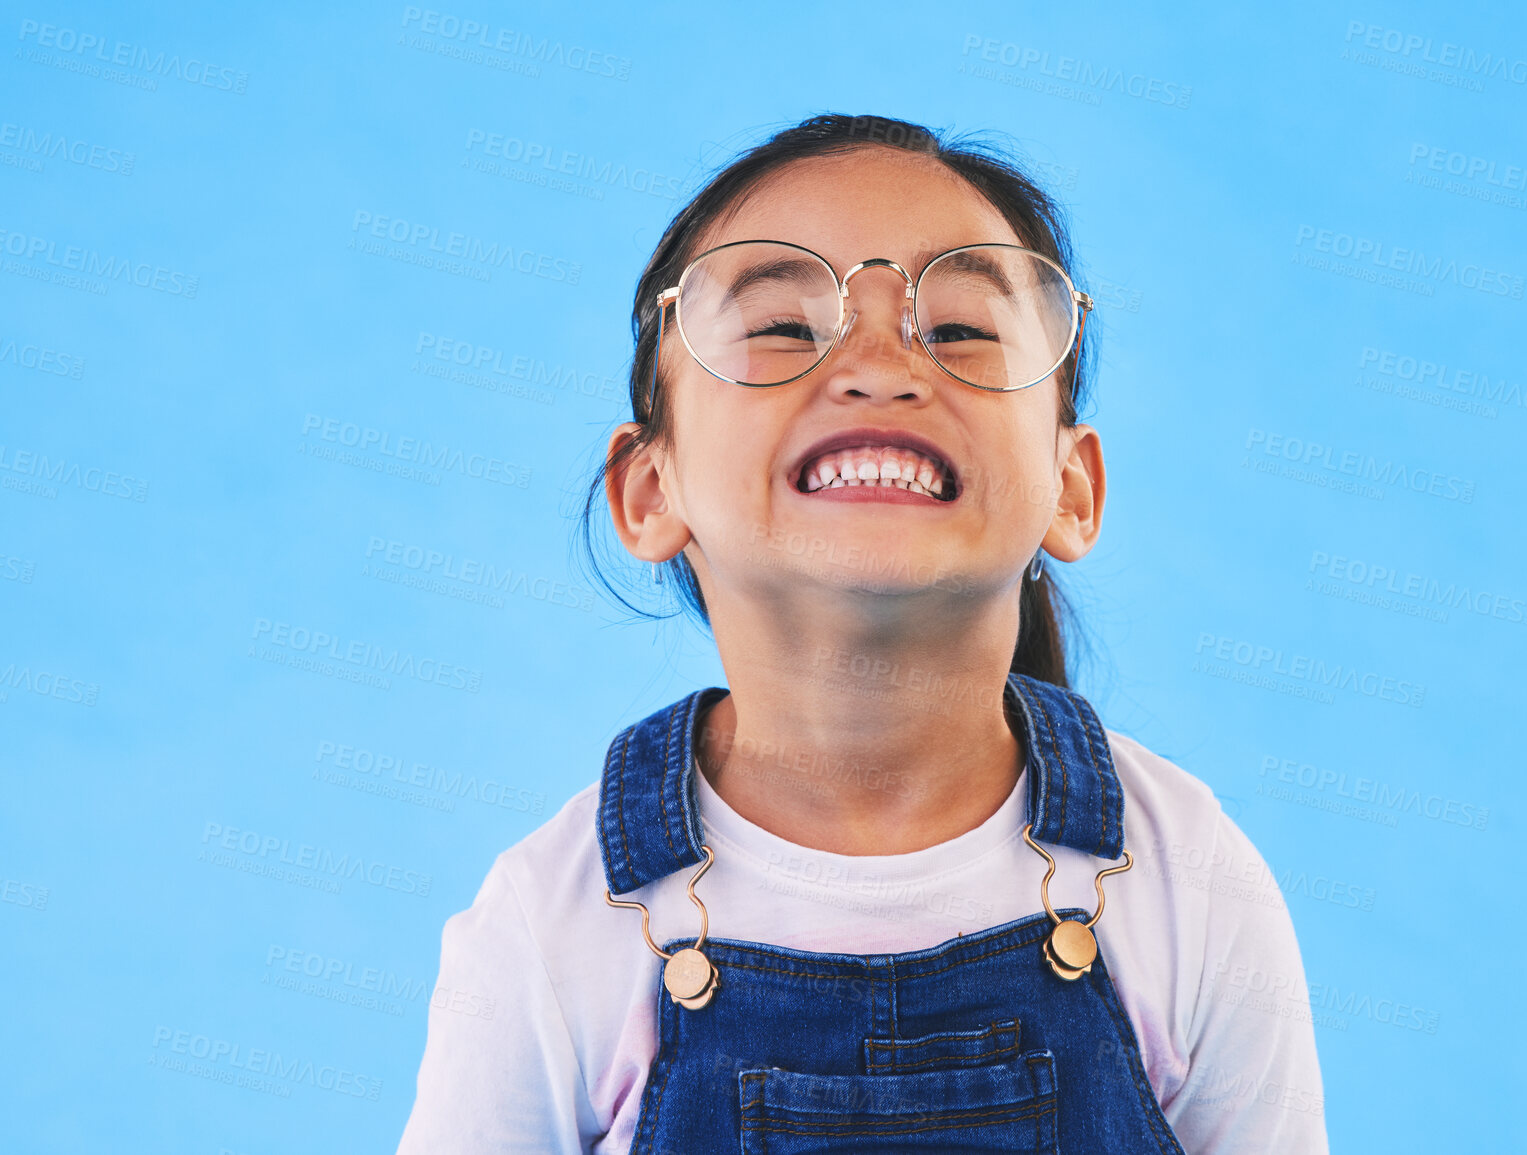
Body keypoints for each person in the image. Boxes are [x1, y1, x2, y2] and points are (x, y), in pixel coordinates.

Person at [398, 113, 1327, 1154]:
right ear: (650, 491)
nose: (880, 365)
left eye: (962, 330)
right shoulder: (554, 922)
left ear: (1071, 488)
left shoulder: (1182, 872)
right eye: (784, 328)